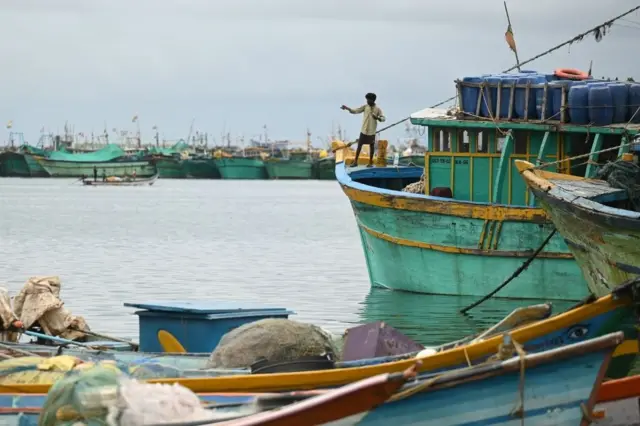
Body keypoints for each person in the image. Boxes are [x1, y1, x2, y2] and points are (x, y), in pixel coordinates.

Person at [341, 93, 385, 167]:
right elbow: (356, 111)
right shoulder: (365, 107)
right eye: (367, 100)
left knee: (371, 146)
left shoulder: (378, 109)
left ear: (372, 100)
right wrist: (347, 108)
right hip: (364, 130)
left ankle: (370, 162)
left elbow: (383, 118)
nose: (367, 101)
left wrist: (377, 118)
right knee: (359, 146)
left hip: (371, 132)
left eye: (368, 100)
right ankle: (355, 162)